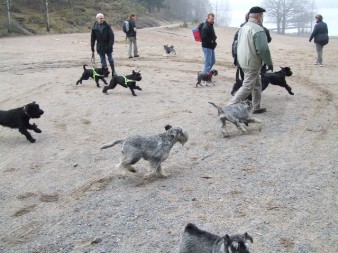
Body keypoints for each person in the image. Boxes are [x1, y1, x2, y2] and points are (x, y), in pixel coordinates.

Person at [228, 6, 273, 114]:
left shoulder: (243, 28)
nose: (262, 17)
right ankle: (228, 108)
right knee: (247, 86)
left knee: (257, 84)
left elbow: (236, 45)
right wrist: (269, 63)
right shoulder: (258, 29)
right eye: (262, 15)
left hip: (243, 61)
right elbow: (263, 49)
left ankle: (256, 107)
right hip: (252, 62)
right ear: (258, 15)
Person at [232, 12, 272, 80]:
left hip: (241, 59)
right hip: (256, 60)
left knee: (245, 80)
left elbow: (234, 45)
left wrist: (235, 58)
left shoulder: (240, 30)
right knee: (256, 82)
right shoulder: (262, 30)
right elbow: (267, 41)